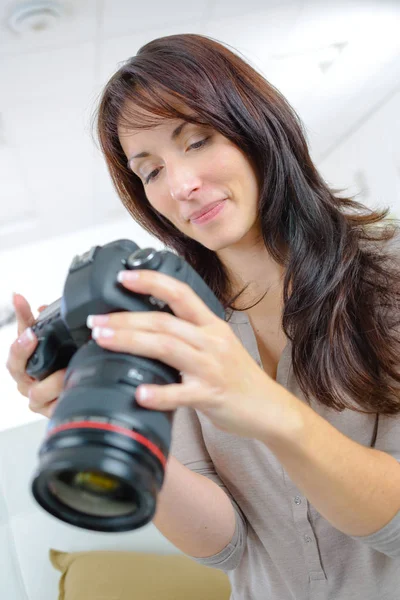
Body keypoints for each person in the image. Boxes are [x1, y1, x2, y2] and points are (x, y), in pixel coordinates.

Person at [6, 33, 400, 599]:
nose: (182, 186)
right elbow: (224, 545)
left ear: (256, 126)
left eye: (197, 141)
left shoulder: (387, 274)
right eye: (150, 172)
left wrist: (266, 409)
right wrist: (112, 426)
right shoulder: (171, 312)